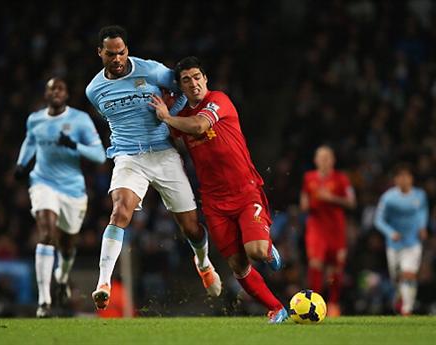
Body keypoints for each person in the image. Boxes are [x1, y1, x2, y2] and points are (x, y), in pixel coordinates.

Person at [85, 26, 221, 311]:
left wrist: (170, 115)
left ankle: (203, 262)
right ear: (100, 53)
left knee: (192, 228)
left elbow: (182, 88)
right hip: (128, 157)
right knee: (119, 210)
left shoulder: (152, 70)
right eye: (111, 53)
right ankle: (103, 283)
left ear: (127, 49)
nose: (118, 58)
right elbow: (114, 119)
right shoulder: (94, 90)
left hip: (163, 155)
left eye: (121, 52)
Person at [149, 56, 287, 324]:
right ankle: (275, 308)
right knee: (237, 264)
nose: (193, 83)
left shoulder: (218, 100)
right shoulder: (180, 119)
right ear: (180, 86)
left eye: (197, 77)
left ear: (205, 79)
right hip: (214, 201)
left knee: (256, 252)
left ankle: (269, 250)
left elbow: (200, 126)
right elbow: (172, 142)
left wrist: (167, 117)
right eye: (186, 80)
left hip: (245, 191)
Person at [15, 77, 106, 317]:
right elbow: (30, 141)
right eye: (51, 88)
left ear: (66, 94)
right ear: (46, 94)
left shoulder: (80, 120)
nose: (55, 92)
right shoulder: (35, 120)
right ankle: (44, 301)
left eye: (60, 89)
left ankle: (62, 277)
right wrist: (21, 164)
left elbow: (99, 156)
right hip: (43, 183)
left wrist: (74, 145)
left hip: (73, 190)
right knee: (46, 234)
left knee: (67, 245)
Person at [299, 145, 356, 317]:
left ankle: (333, 304)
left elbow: (352, 202)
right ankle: (314, 303)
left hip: (336, 229)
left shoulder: (341, 179)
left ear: (333, 160)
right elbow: (303, 201)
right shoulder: (308, 178)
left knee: (335, 269)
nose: (324, 161)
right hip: (316, 228)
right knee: (315, 263)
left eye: (327, 157)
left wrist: (331, 198)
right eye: (320, 157)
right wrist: (306, 205)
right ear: (315, 160)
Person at [374, 163, 428, 316]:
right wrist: (391, 233)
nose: (404, 179)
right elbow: (378, 220)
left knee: (408, 273)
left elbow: (422, 212)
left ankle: (407, 308)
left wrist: (422, 227)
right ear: (395, 180)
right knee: (396, 278)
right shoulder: (388, 198)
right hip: (394, 244)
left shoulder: (420, 196)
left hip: (413, 243)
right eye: (400, 176)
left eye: (407, 176)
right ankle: (400, 297)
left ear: (411, 179)